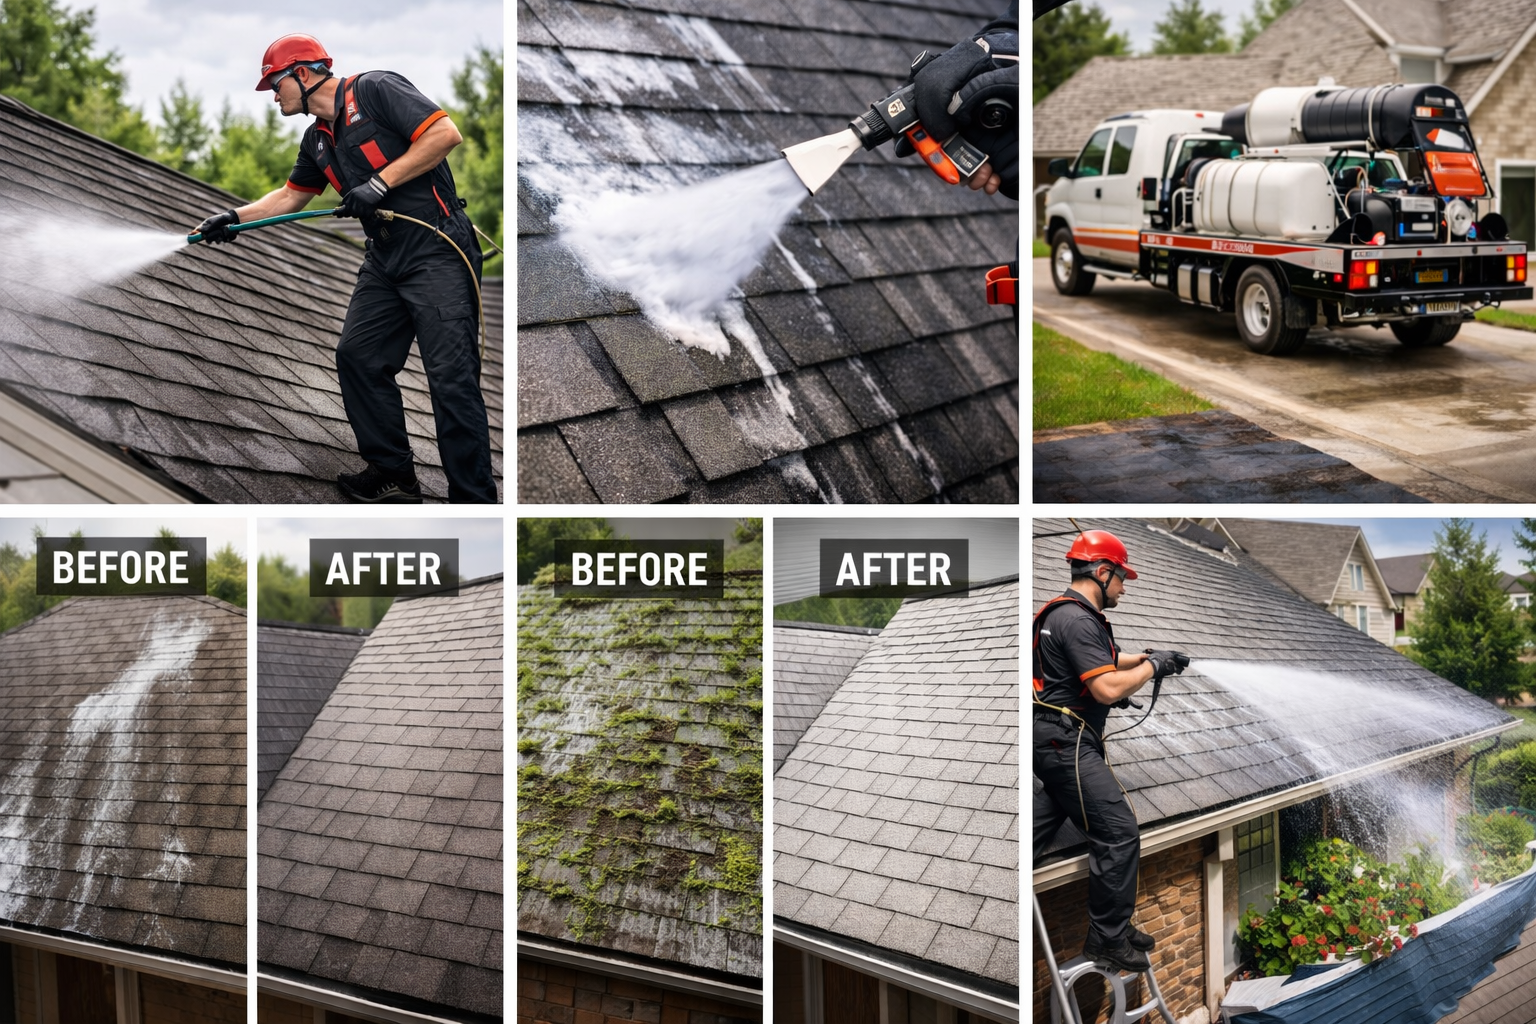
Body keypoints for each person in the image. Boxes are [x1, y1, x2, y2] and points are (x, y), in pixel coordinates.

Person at [192, 34, 496, 504]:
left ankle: (474, 500)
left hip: (437, 248)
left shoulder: (375, 89)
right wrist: (233, 219)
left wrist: (379, 182)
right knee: (358, 356)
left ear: (304, 74)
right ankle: (393, 474)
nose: (273, 96)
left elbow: (444, 135)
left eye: (275, 85)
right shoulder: (316, 139)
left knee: (451, 381)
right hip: (385, 258)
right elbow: (291, 197)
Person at [1033, 530, 1186, 973]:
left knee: (1043, 821)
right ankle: (1107, 939)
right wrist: (1151, 669)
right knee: (1118, 832)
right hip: (1068, 746)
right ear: (1102, 571)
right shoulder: (1080, 619)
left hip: (1056, 741)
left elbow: (1106, 659)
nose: (1124, 587)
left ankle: (1008, 872)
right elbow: (1102, 687)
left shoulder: (1061, 614)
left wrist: (1150, 656)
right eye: (1122, 579)